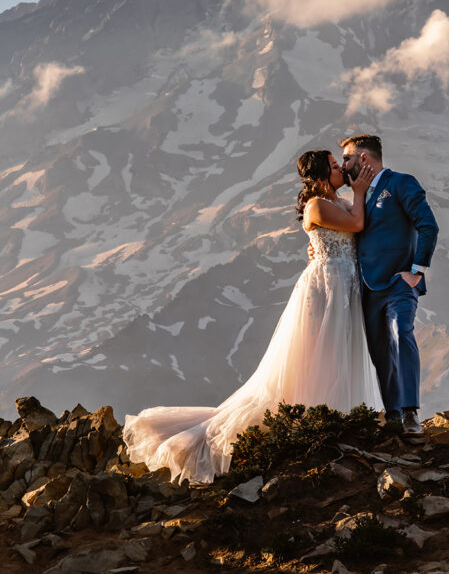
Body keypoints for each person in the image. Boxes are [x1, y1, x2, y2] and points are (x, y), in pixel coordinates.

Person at [122, 150, 380, 484]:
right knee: (324, 351)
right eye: (333, 167)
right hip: (328, 285)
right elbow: (357, 224)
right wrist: (359, 193)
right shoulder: (318, 205)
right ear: (318, 177)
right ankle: (316, 417)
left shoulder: (338, 201)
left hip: (344, 282)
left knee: (341, 350)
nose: (339, 171)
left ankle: (339, 415)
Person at [339, 134, 439, 438]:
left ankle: (411, 413)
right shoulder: (355, 195)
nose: (343, 165)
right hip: (368, 288)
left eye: (347, 159)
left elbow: (428, 225)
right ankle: (393, 416)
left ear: (364, 159)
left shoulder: (401, 183)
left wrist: (417, 271)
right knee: (380, 352)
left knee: (401, 333)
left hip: (399, 282)